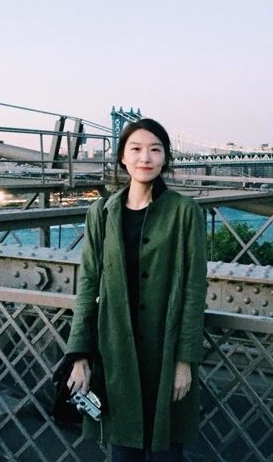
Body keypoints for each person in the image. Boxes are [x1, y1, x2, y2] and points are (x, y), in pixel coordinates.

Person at [65, 118, 207, 461]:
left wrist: (185, 362)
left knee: (166, 452)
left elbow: (193, 289)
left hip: (165, 353)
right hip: (114, 352)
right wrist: (79, 356)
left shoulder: (185, 212)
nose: (146, 157)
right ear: (122, 158)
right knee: (122, 451)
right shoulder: (101, 212)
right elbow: (88, 284)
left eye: (155, 149)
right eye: (136, 149)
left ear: (165, 158)